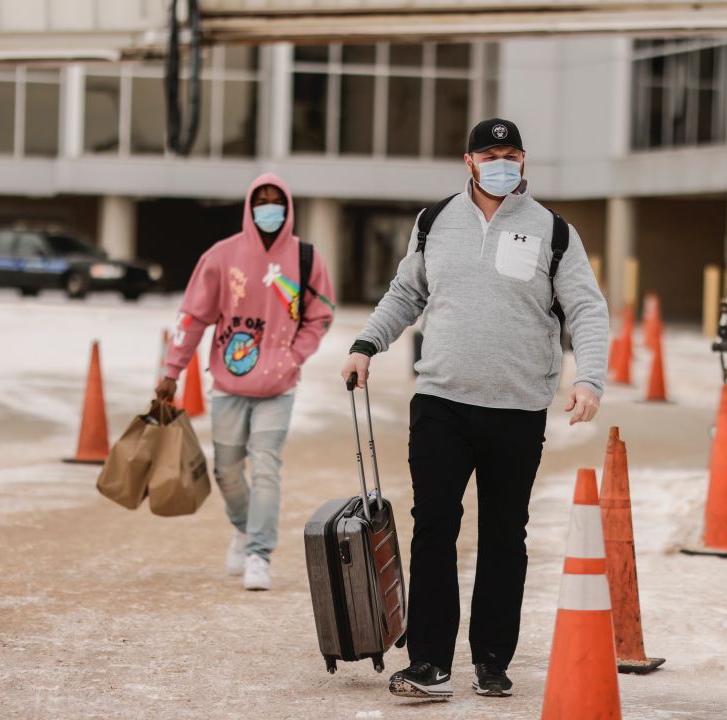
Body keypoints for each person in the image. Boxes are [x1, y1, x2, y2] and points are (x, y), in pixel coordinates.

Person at [340, 118, 608, 700]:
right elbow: (406, 293)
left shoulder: (552, 231)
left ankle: (492, 660)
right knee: (434, 528)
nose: (499, 162)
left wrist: (589, 378)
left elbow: (585, 308)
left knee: (504, 536)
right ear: (469, 161)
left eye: (509, 153)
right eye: (489, 153)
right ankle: (430, 662)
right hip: (441, 400)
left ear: (522, 159)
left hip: (516, 407)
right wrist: (366, 345)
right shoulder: (434, 221)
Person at [157, 173, 334, 591]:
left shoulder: (306, 258)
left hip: (279, 386)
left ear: (288, 207)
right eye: (262, 200)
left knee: (267, 467)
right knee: (227, 470)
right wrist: (171, 371)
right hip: (229, 385)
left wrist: (293, 356)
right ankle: (243, 526)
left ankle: (258, 553)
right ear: (250, 206)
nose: (269, 208)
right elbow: (192, 317)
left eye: (276, 201)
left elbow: (320, 314)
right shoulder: (221, 257)